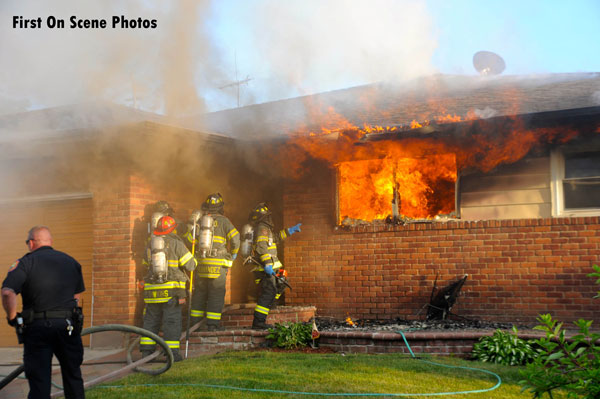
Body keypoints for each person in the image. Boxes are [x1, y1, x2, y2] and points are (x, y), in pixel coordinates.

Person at [1, 226, 86, 399]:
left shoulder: (25, 262)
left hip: (38, 329)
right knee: (73, 377)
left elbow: (7, 292)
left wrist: (12, 318)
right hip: (68, 327)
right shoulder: (71, 261)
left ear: (31, 243)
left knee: (39, 382)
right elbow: (77, 293)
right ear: (50, 242)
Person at [141, 215, 196, 362]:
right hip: (171, 291)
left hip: (152, 291)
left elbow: (145, 264)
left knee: (150, 321)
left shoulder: (150, 244)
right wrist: (194, 257)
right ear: (173, 229)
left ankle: (146, 353)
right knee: (171, 322)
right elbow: (191, 265)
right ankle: (172, 353)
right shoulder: (176, 243)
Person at [247, 202, 301, 329]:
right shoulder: (262, 228)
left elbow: (275, 238)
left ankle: (270, 304)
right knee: (268, 292)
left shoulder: (266, 228)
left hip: (272, 267)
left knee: (281, 283)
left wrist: (290, 231)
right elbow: (262, 247)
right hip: (265, 268)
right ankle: (258, 322)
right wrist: (267, 264)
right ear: (264, 216)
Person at [190, 193, 240, 331]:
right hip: (218, 266)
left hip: (201, 263)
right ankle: (212, 325)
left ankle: (195, 324)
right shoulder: (224, 221)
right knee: (216, 293)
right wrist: (234, 254)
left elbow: (190, 238)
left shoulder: (201, 220)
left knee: (199, 293)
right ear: (220, 207)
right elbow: (236, 238)